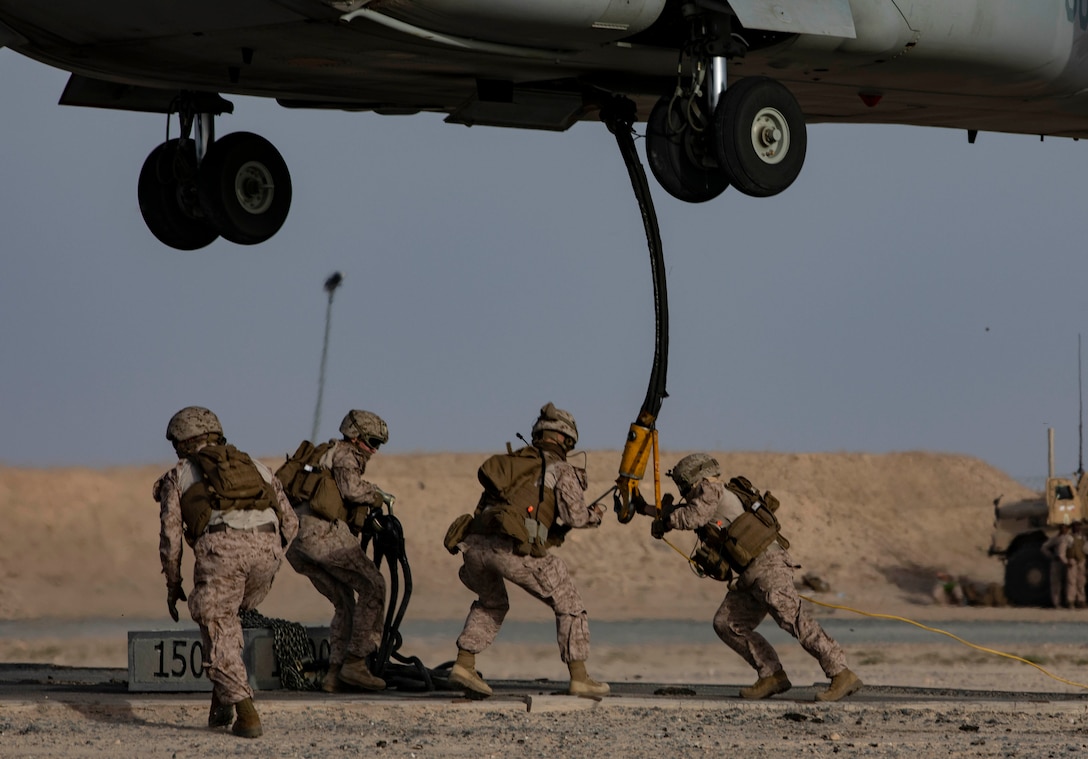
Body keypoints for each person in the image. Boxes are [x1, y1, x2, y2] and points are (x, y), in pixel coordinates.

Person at [640, 453, 862, 702]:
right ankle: (771, 675)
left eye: (684, 485)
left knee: (793, 620)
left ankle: (841, 673)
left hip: (768, 567)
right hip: (750, 574)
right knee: (726, 623)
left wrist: (665, 522)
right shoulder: (708, 497)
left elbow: (692, 517)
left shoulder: (711, 489)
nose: (684, 491)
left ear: (693, 479)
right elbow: (684, 511)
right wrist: (644, 508)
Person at [446, 403, 609, 699]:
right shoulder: (560, 469)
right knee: (568, 600)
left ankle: (464, 665)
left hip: (474, 546)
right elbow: (576, 516)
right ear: (565, 440)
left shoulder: (515, 465)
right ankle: (580, 677)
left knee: (491, 603)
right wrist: (595, 513)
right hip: (509, 549)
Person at [153, 406, 298, 739]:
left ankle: (246, 715)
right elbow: (291, 522)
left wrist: (173, 583)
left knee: (217, 624)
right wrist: (271, 555)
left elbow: (171, 536)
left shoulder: (180, 474)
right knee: (229, 622)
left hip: (221, 551)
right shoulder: (257, 466)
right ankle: (221, 705)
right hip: (268, 549)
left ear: (182, 443)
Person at [282, 409, 392, 693]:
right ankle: (355, 663)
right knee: (373, 586)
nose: (374, 451)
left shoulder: (323, 454)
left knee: (344, 601)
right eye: (372, 442)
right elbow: (352, 490)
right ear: (356, 437)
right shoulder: (345, 454)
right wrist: (378, 495)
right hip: (322, 536)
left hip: (297, 543)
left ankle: (334, 673)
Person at [1042, 523, 1074, 608]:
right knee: (1056, 583)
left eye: (1065, 528)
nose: (1063, 529)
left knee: (1070, 582)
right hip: (1057, 562)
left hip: (1068, 562)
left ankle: (1069, 601)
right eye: (1062, 528)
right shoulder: (1056, 539)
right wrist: (1051, 556)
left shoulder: (1070, 538)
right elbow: (1044, 547)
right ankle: (1056, 603)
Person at [1070, 522, 1087, 609]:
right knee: (1072, 582)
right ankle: (1071, 601)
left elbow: (1086, 549)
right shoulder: (1068, 538)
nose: (1077, 528)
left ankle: (1081, 600)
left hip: (1081, 561)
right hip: (1072, 561)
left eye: (1078, 526)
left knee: (1081, 582)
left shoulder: (1083, 538)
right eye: (1075, 526)